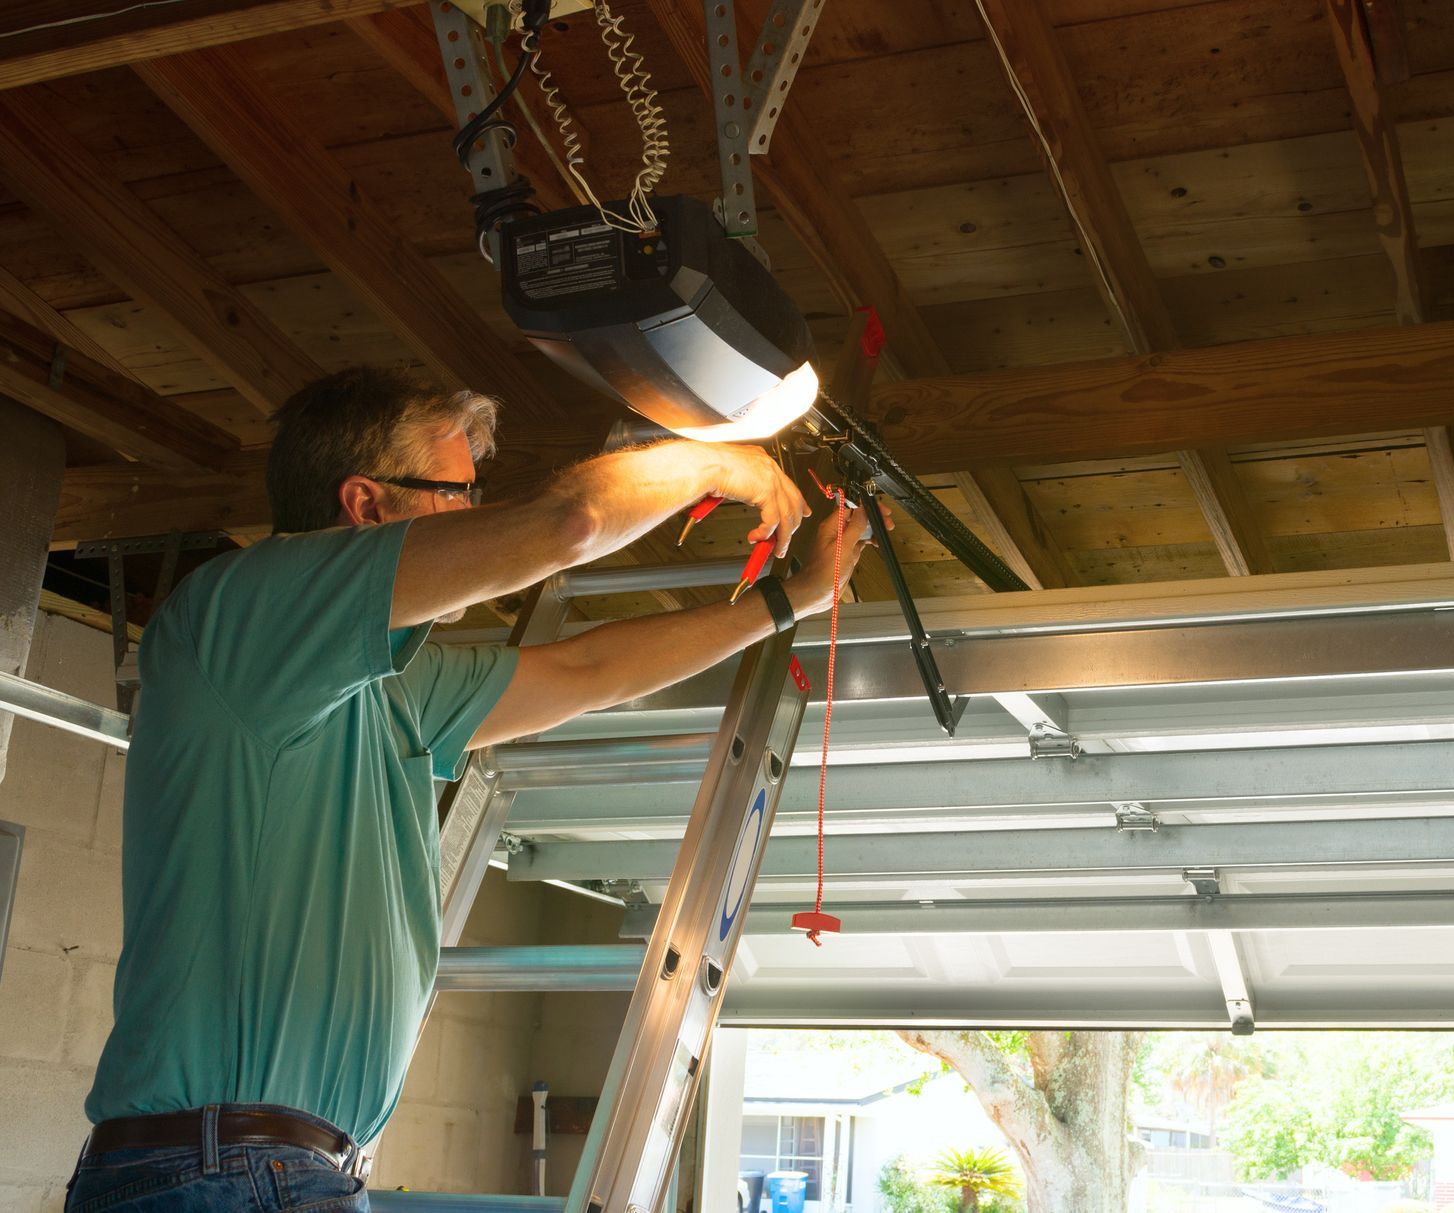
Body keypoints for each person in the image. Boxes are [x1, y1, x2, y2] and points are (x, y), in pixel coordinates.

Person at [65, 366, 881, 1213]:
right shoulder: (241, 617)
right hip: (227, 1167)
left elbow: (586, 669)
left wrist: (784, 601)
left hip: (270, 1168)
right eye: (456, 493)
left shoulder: (394, 687)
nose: (471, 516)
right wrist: (718, 463)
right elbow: (569, 522)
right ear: (366, 504)